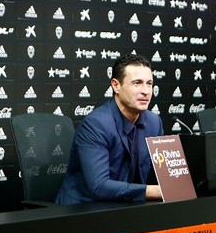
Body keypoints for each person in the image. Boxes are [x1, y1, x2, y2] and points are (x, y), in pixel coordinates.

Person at [56, 53, 164, 205]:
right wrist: (157, 191)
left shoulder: (154, 123)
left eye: (149, 83)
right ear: (116, 85)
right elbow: (99, 187)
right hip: (84, 209)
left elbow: (161, 175)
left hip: (128, 207)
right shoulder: (95, 125)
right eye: (137, 83)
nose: (146, 91)